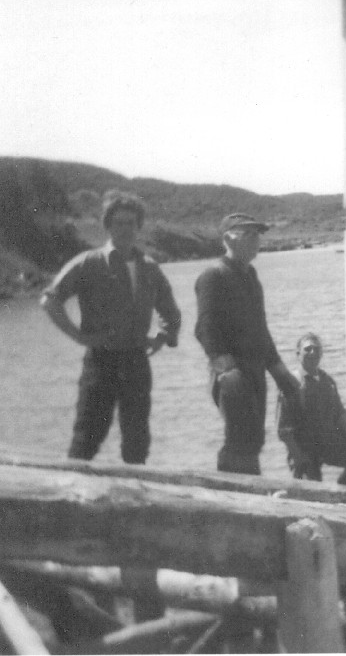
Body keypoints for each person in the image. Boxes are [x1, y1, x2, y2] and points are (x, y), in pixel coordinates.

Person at [40, 190, 181, 464]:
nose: (125, 229)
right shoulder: (89, 263)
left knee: (137, 441)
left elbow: (170, 311)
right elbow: (50, 300)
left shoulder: (149, 268)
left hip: (136, 362)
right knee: (87, 438)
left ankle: (135, 490)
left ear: (139, 226)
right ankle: (72, 490)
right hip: (101, 362)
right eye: (119, 222)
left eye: (131, 223)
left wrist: (163, 335)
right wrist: (78, 336)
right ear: (108, 225)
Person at [194, 212, 299, 475]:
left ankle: (249, 489)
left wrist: (280, 372)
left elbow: (260, 331)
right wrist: (228, 371)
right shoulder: (213, 276)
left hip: (254, 370)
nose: (256, 241)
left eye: (258, 235)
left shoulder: (250, 276)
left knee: (254, 439)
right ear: (229, 238)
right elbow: (206, 330)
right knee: (240, 439)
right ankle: (232, 491)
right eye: (249, 234)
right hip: (231, 373)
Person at [277, 332, 346, 485]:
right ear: (298, 354)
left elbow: (340, 417)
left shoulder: (327, 382)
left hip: (326, 444)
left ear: (321, 354)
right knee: (312, 488)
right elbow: (284, 430)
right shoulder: (291, 384)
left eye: (316, 349)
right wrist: (298, 456)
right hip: (303, 449)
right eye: (307, 349)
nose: (312, 353)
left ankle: (341, 491)